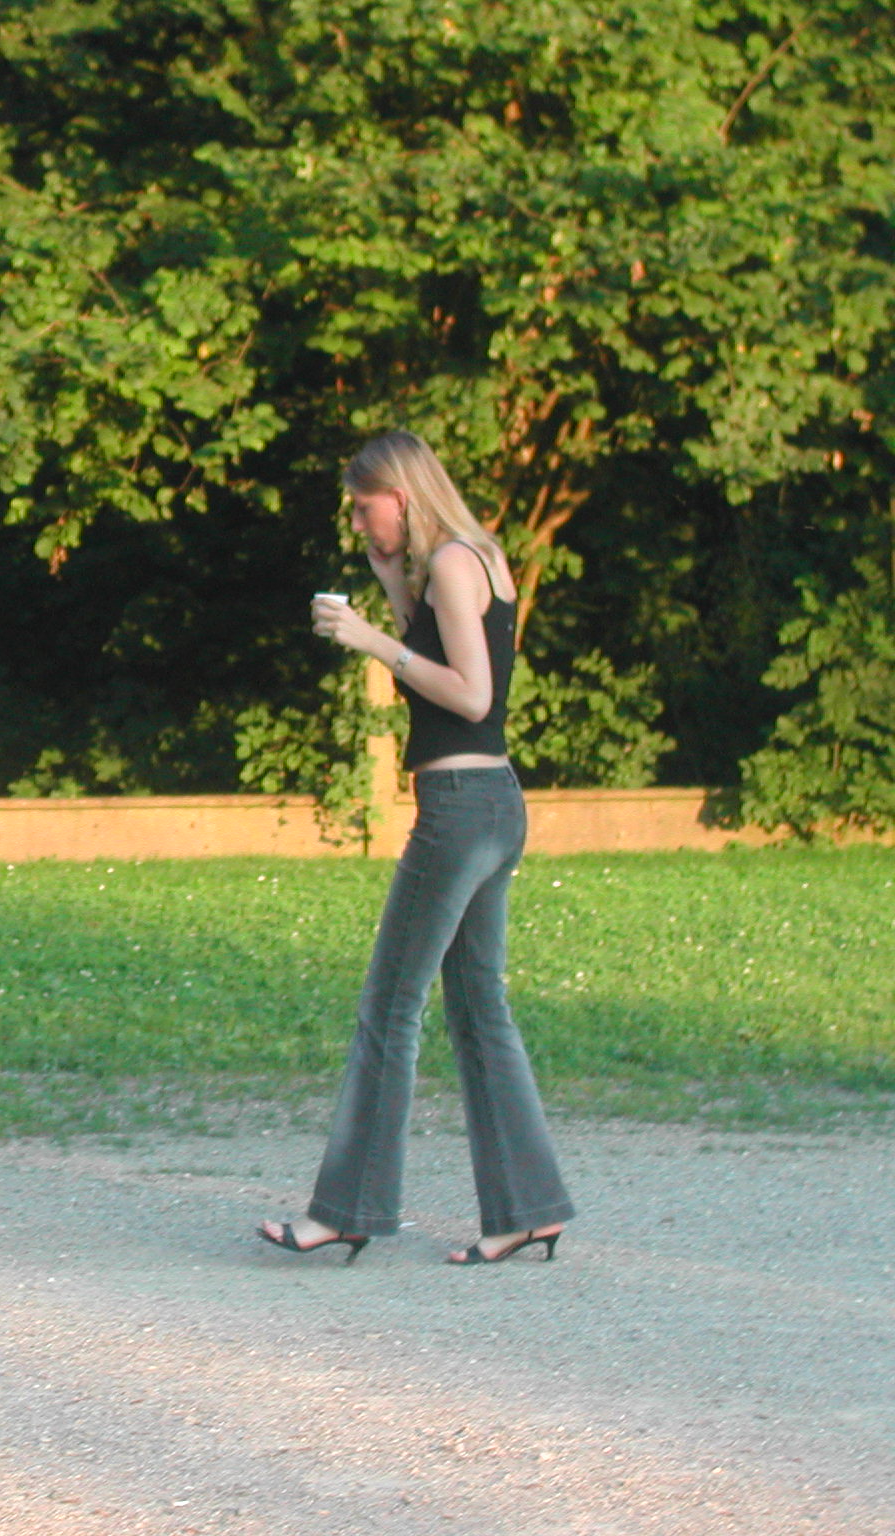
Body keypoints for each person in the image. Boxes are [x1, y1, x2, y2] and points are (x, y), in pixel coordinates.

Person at [257, 429, 575, 1266]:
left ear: (400, 495)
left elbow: (470, 697)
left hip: (462, 811)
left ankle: (347, 1211)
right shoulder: (473, 558)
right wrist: (391, 585)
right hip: (490, 804)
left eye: (366, 508)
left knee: (390, 1010)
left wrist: (372, 639)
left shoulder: (456, 565)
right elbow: (438, 660)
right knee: (479, 1010)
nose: (359, 522)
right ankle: (527, 1210)